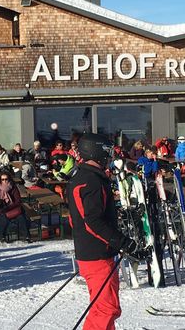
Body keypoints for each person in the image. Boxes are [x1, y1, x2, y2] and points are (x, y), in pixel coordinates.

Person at [65, 132, 145, 330]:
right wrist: (123, 242)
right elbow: (92, 221)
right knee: (106, 308)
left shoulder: (84, 176)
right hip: (96, 255)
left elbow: (77, 218)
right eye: (107, 151)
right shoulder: (91, 180)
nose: (110, 156)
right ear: (96, 151)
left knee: (105, 306)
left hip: (94, 252)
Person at [0, 173, 31, 243]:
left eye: (6, 179)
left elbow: (18, 201)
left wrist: (9, 207)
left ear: (9, 179)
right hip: (2, 208)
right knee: (2, 217)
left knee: (21, 218)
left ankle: (26, 236)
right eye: (2, 179)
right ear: (0, 180)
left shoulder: (13, 187)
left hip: (13, 207)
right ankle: (1, 237)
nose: (4, 181)